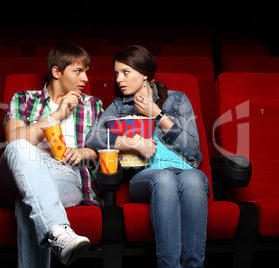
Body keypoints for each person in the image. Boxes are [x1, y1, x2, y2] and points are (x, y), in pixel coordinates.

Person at [85, 45, 210, 268]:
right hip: (146, 176)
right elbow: (93, 137)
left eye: (125, 72)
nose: (118, 79)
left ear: (144, 74)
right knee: (165, 178)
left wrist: (158, 115)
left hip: (184, 169)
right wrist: (132, 143)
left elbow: (193, 148)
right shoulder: (118, 106)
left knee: (195, 178)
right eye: (116, 73)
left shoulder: (178, 100)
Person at [0, 43, 104, 268]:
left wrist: (83, 152)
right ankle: (59, 230)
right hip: (16, 171)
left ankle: (57, 232)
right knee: (20, 147)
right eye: (78, 71)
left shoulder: (93, 105)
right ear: (56, 72)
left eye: (87, 72)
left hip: (64, 173)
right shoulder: (23, 99)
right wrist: (57, 115)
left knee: (28, 203)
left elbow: (103, 149)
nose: (85, 79)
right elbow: (13, 142)